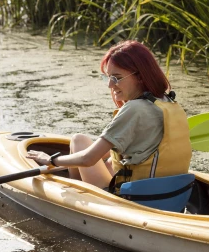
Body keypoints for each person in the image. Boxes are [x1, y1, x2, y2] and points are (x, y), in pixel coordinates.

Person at [25, 40, 192, 190]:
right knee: (103, 155)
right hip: (171, 195)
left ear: (140, 77)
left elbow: (88, 159)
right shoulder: (167, 102)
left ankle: (77, 197)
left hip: (135, 199)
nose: (110, 85)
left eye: (117, 78)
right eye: (109, 77)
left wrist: (51, 160)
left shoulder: (135, 109)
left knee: (79, 141)